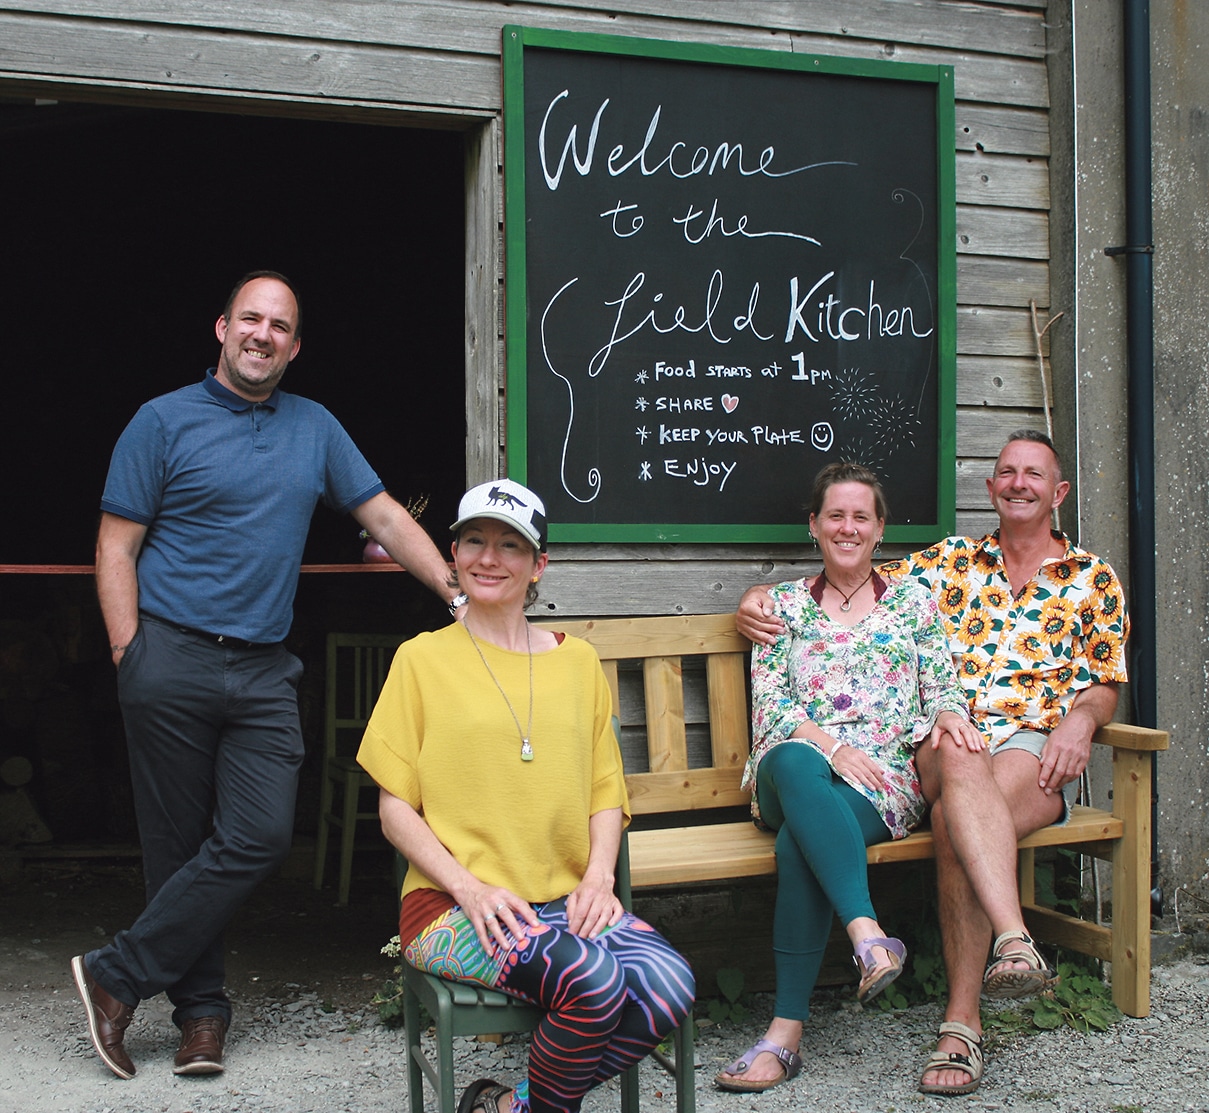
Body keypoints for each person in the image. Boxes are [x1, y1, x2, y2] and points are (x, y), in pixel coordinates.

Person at [73, 270, 461, 1081]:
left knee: (259, 834)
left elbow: (384, 513)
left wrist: (455, 592)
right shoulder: (161, 420)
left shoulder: (314, 426)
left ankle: (116, 973)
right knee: (177, 847)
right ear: (220, 327)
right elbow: (117, 545)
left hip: (261, 667)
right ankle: (202, 1016)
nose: (263, 334)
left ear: (294, 344)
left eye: (279, 326)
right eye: (250, 319)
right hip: (169, 654)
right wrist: (127, 652)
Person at [736, 431, 1129, 1096]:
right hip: (948, 740)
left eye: (1034, 475)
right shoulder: (946, 564)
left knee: (955, 822)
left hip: (1027, 742)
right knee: (942, 771)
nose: (1018, 483)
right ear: (990, 487)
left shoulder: (1092, 578)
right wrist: (752, 593)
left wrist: (1082, 718)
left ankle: (961, 1020)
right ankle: (1008, 941)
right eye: (1005, 472)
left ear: (1057, 492)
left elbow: (1104, 677)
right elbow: (851, 572)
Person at [357, 478, 695, 1113]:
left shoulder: (578, 663)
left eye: (511, 546)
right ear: (453, 556)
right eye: (475, 541)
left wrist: (598, 879)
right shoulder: (420, 660)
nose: (490, 558)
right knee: (592, 981)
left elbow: (604, 791)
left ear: (539, 564)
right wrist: (470, 888)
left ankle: (512, 1106)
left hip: (566, 902)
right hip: (452, 909)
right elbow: (393, 809)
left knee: (669, 986)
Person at [715, 462, 979, 1094]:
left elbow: (942, 688)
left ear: (880, 528)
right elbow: (774, 710)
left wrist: (947, 708)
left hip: (881, 784)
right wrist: (832, 748)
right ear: (814, 525)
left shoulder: (915, 604)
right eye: (835, 515)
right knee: (794, 758)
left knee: (797, 846)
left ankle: (783, 1037)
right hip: (796, 768)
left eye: (861, 516)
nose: (848, 527)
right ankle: (867, 930)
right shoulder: (781, 607)